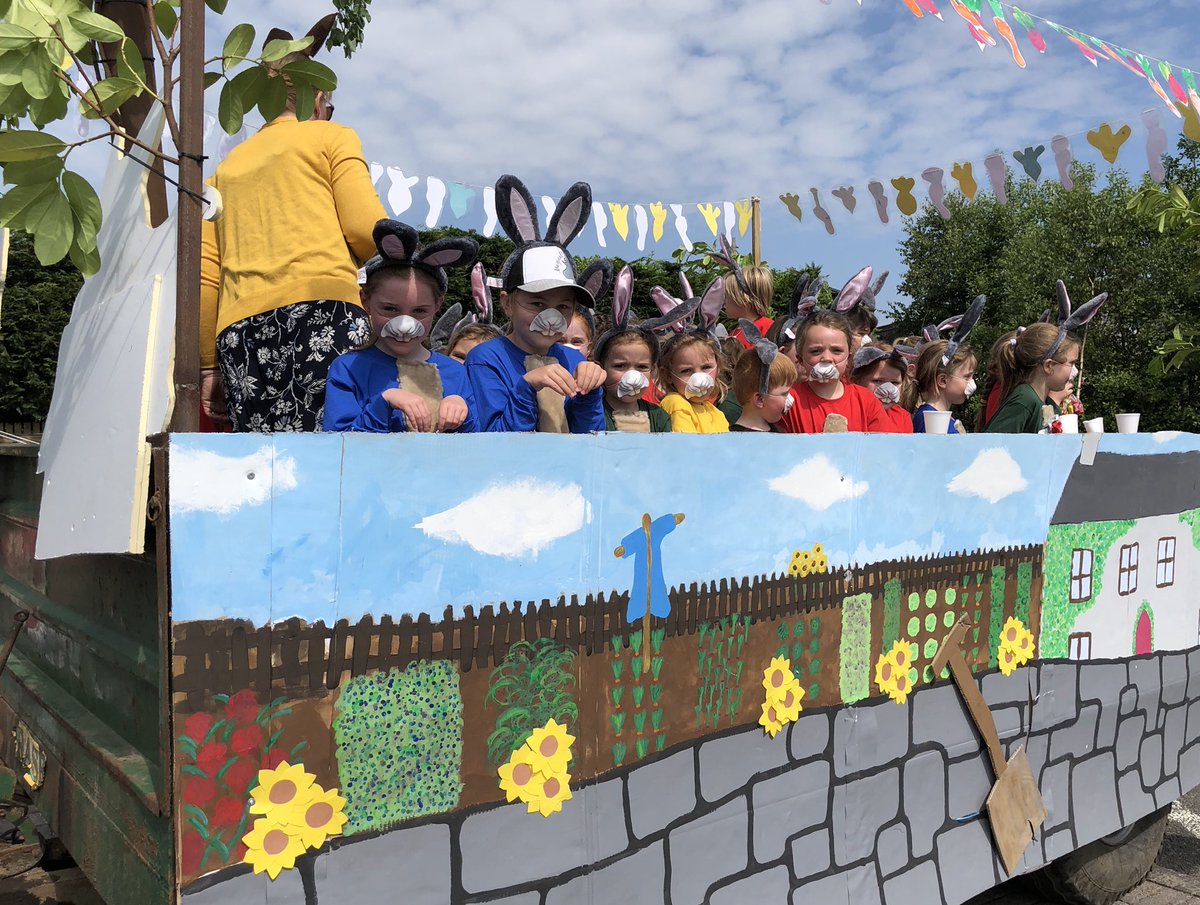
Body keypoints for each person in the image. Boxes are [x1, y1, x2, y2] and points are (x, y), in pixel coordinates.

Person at [200, 15, 388, 432]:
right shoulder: (331, 136)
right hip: (323, 313)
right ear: (317, 97)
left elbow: (205, 277)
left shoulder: (223, 172)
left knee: (266, 466)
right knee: (337, 452)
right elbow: (365, 229)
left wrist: (208, 366)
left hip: (241, 330)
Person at [466, 175, 608, 433]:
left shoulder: (573, 358)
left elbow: (590, 438)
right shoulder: (485, 358)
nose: (551, 317)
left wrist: (591, 394)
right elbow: (491, 441)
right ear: (507, 304)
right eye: (537, 303)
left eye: (563, 307)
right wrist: (527, 386)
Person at [323, 221, 479, 433]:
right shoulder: (348, 369)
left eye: (419, 311)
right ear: (365, 301)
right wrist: (384, 402)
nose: (405, 325)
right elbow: (338, 447)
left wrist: (464, 413)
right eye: (390, 309)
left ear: (438, 305)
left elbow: (475, 449)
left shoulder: (455, 372)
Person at [784, 310, 888, 433]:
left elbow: (881, 446)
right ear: (800, 359)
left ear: (848, 359)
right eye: (816, 351)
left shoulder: (867, 401)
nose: (827, 358)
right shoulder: (788, 401)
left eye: (836, 350)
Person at [984, 324, 1081, 434]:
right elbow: (991, 446)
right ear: (1049, 366)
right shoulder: (1024, 401)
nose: (1074, 370)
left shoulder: (1043, 402)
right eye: (1071, 363)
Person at [729, 322, 798, 432]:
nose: (791, 400)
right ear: (760, 399)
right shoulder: (734, 442)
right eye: (784, 393)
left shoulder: (779, 431)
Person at [658, 332, 730, 433]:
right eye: (686, 370)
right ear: (668, 375)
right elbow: (687, 446)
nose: (698, 379)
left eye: (706, 367)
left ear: (718, 368)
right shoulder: (675, 403)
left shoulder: (716, 413)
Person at [911, 340, 976, 434]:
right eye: (967, 377)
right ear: (943, 380)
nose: (972, 382)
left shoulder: (936, 417)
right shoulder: (931, 419)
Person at [850, 345, 912, 434]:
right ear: (855, 381)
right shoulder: (850, 414)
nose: (889, 390)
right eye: (878, 381)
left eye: (895, 383)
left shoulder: (903, 417)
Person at [724, 265, 776, 349]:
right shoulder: (735, 332)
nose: (724, 303)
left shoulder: (767, 327)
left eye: (727, 298)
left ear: (744, 300)